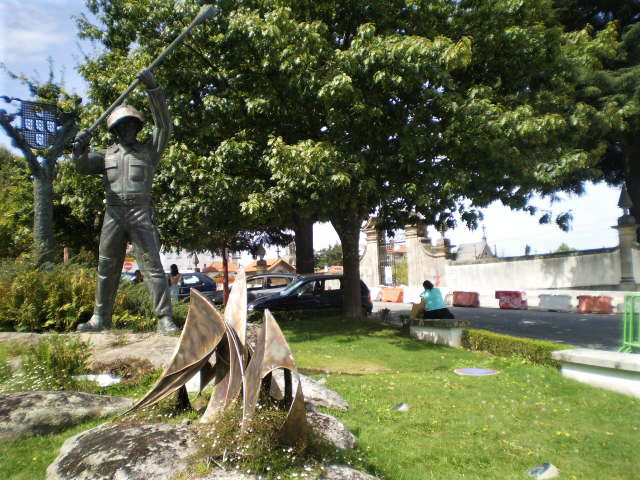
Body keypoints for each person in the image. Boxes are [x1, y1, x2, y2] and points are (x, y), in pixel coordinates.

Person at [72, 69, 178, 334]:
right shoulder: (106, 156)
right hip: (114, 213)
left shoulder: (149, 152)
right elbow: (82, 166)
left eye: (133, 124)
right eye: (124, 125)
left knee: (152, 266)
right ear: (116, 129)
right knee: (107, 266)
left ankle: (164, 318)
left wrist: (153, 90)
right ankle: (100, 318)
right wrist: (79, 148)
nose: (129, 128)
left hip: (141, 212)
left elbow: (164, 126)